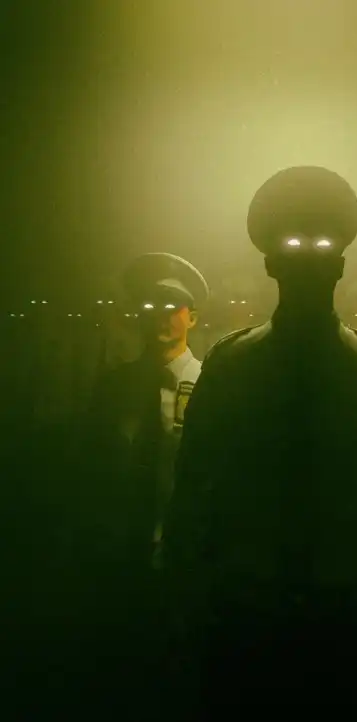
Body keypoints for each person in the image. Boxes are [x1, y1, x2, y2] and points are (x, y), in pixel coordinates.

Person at [164, 167, 357, 717]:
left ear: (341, 263)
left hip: (337, 608)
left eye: (322, 245)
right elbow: (194, 488)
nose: (308, 259)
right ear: (270, 263)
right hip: (259, 607)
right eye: (293, 245)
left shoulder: (240, 361)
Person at [71, 252, 208, 705]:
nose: (163, 317)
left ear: (192, 316)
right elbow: (93, 471)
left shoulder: (214, 386)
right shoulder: (115, 387)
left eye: (174, 307)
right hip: (119, 556)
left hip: (188, 557)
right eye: (151, 306)